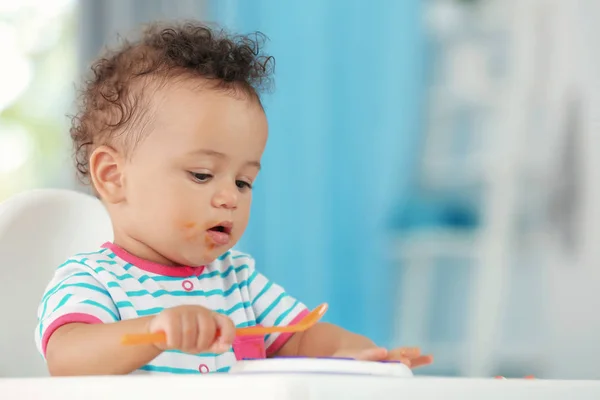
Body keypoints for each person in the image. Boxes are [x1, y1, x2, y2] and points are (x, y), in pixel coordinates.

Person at [35, 21, 433, 376]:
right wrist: (152, 333)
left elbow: (302, 337)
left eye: (244, 182)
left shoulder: (237, 280)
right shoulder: (92, 280)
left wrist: (362, 355)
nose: (229, 197)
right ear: (114, 176)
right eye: (202, 175)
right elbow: (67, 357)